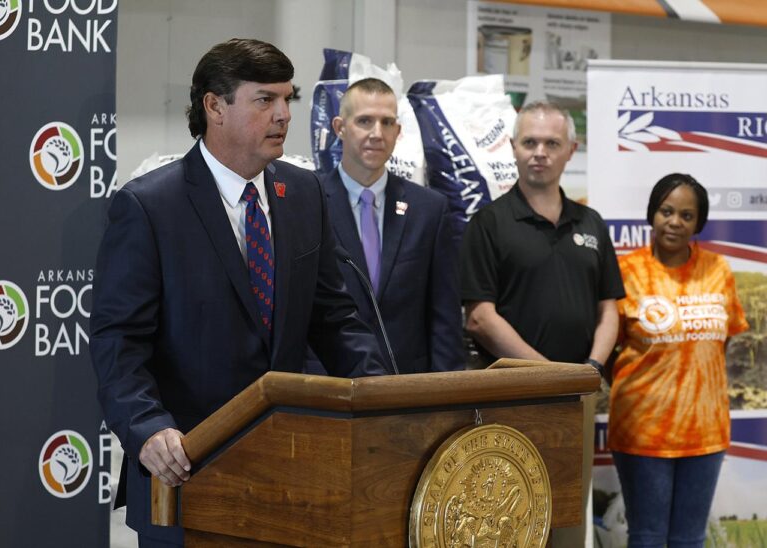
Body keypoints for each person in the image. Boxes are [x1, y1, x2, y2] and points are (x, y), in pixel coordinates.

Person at [89, 39, 386, 547]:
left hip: (287, 470)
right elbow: (119, 340)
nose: (283, 115)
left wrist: (382, 394)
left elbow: (334, 318)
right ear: (214, 106)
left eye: (288, 100)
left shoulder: (304, 193)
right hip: (185, 473)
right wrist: (147, 428)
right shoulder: (148, 206)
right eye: (264, 100)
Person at [460, 101, 625, 546]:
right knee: (508, 518)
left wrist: (589, 368)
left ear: (571, 150)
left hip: (578, 394)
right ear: (512, 147)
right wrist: (549, 375)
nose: (540, 152)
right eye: (529, 142)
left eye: (552, 143)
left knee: (568, 519)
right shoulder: (489, 223)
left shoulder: (590, 223)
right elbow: (479, 317)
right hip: (511, 395)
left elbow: (609, 308)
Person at [609, 174, 748, 547]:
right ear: (652, 214)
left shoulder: (718, 270)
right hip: (642, 431)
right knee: (648, 537)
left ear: (697, 223)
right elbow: (607, 347)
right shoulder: (626, 271)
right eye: (666, 211)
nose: (675, 221)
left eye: (686, 215)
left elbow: (722, 341)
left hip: (705, 434)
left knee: (690, 539)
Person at [306, 77, 464, 374]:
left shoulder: (429, 209)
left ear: (398, 131)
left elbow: (445, 317)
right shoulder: (308, 202)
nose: (377, 133)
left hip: (405, 386)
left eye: (387, 122)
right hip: (329, 384)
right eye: (364, 121)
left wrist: (448, 395)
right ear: (340, 128)